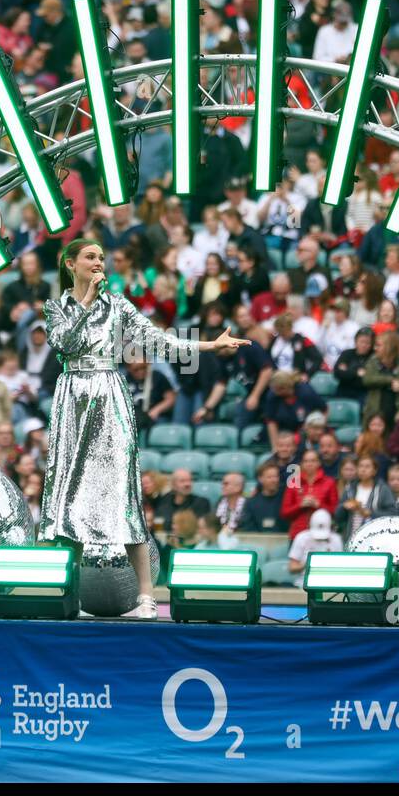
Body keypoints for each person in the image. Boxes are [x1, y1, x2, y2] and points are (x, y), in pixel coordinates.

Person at [39, 238, 248, 618]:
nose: (99, 262)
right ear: (70, 264)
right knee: (71, 497)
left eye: (102, 257)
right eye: (90, 257)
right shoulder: (56, 307)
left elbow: (159, 342)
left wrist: (209, 346)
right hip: (72, 398)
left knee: (125, 494)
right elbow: (63, 343)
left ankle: (146, 597)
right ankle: (69, 597)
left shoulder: (117, 304)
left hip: (109, 395)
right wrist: (86, 302)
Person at [267, 507, 344, 586]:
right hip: (303, 583)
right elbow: (292, 567)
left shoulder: (336, 539)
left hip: (330, 584)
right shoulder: (301, 537)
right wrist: (308, 563)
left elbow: (342, 568)